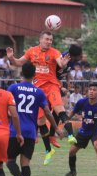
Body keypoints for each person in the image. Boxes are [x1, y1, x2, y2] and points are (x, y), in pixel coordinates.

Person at [6, 31, 76, 165]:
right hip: (38, 90)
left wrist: (64, 63)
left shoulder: (54, 52)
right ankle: (48, 150)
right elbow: (18, 62)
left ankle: (71, 135)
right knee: (40, 122)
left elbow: (60, 63)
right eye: (47, 39)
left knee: (59, 109)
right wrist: (10, 57)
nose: (49, 41)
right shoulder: (32, 51)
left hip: (52, 86)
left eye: (51, 39)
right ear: (40, 39)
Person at [6, 62, 64, 176]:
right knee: (25, 163)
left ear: (21, 73)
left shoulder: (13, 88)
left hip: (15, 131)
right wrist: (56, 128)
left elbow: (6, 109)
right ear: (34, 75)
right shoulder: (39, 92)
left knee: (10, 161)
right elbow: (48, 112)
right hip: (30, 132)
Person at [65, 83, 97, 176]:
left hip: (96, 131)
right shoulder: (82, 102)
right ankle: (73, 171)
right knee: (72, 151)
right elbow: (73, 112)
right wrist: (66, 119)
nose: (91, 91)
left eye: (94, 90)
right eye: (90, 89)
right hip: (83, 131)